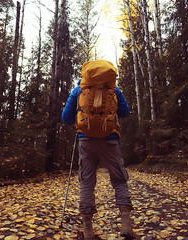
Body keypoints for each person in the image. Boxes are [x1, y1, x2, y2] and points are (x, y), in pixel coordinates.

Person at [61, 59, 137, 240]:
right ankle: (126, 224)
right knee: (119, 180)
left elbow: (66, 118)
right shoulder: (114, 90)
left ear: (86, 72)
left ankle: (88, 229)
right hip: (110, 140)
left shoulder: (79, 89)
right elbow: (125, 112)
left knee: (87, 183)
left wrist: (81, 119)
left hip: (86, 141)